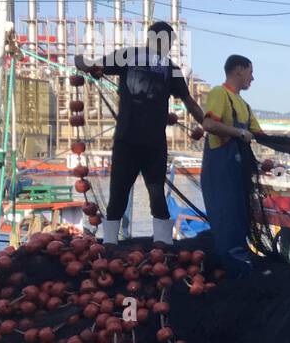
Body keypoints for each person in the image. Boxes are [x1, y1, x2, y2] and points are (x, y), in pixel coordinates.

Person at [77, 20, 205, 245]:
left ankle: (124, 243)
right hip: (138, 141)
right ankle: (154, 243)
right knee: (132, 194)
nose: (168, 46)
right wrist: (84, 64)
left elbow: (188, 100)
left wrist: (206, 124)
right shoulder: (138, 58)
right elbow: (94, 66)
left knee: (136, 194)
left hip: (142, 141)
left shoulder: (163, 66)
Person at [201, 54, 263, 274]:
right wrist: (238, 132)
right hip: (220, 168)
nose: (252, 78)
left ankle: (239, 259)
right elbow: (208, 123)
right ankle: (233, 264)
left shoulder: (244, 105)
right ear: (239, 70)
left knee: (240, 214)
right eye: (250, 72)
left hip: (238, 170)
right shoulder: (220, 93)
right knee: (225, 214)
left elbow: (259, 134)